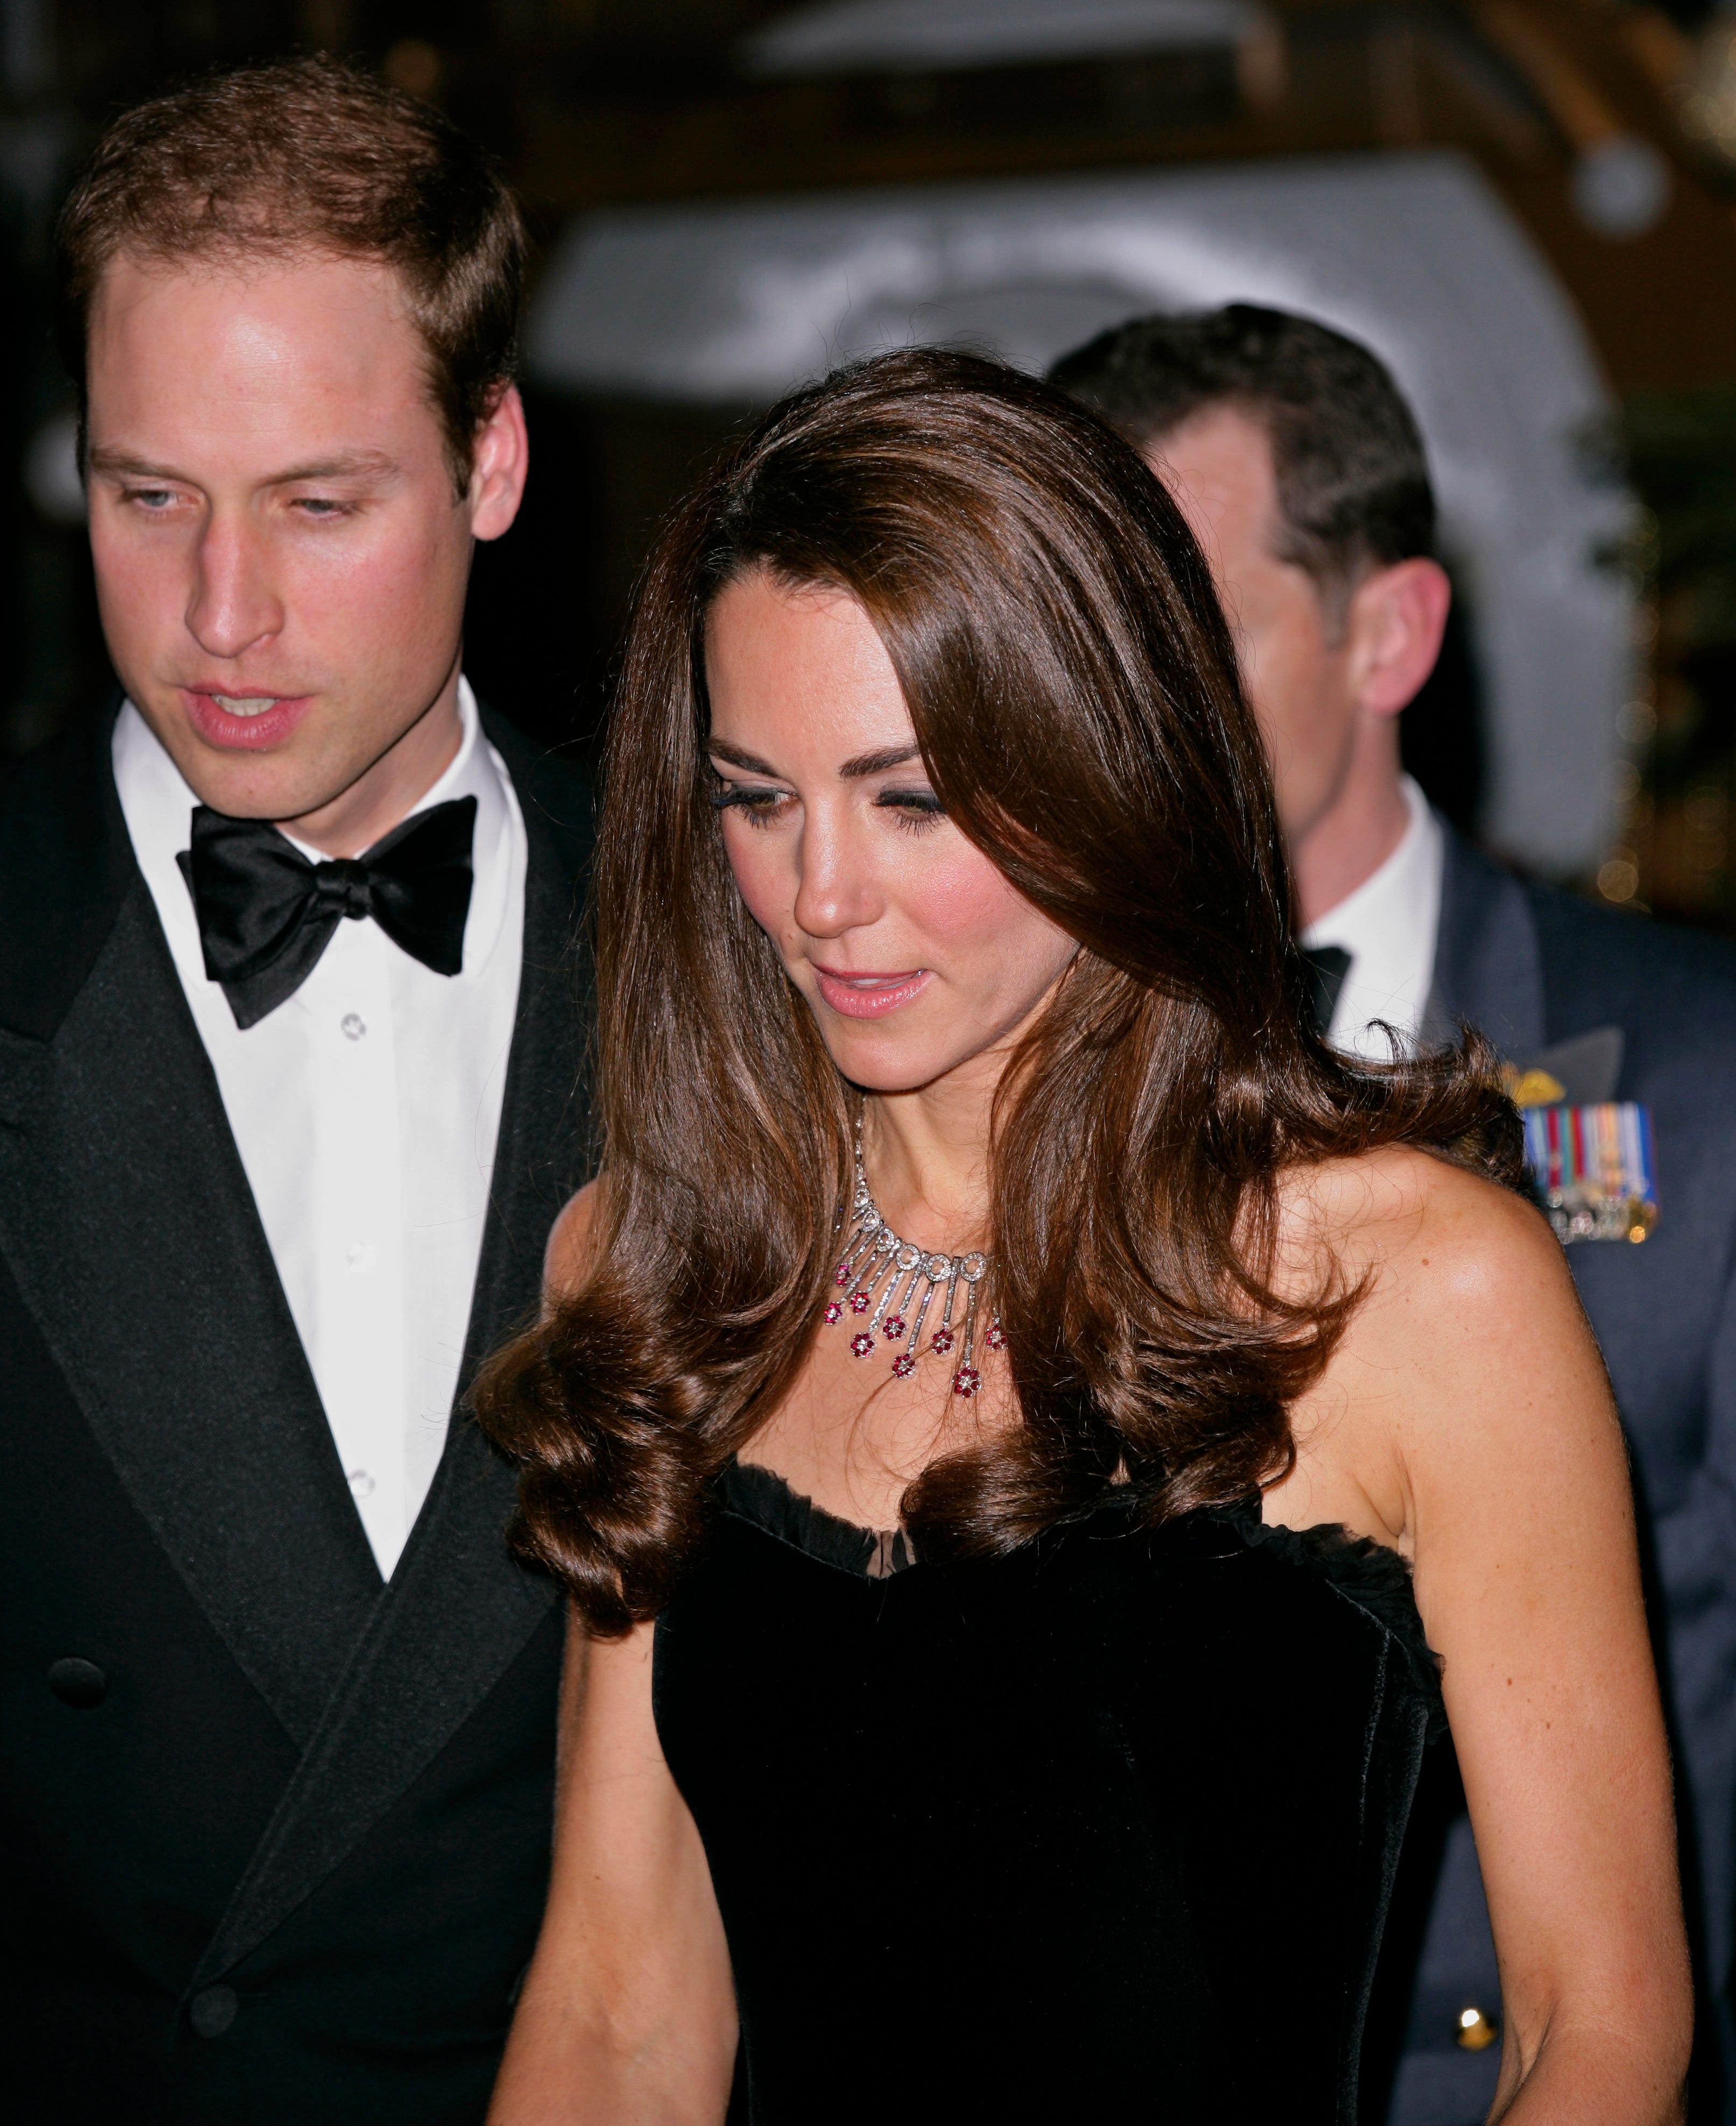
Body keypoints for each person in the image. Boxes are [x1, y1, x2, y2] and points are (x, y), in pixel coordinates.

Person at [473, 347, 1688, 2124]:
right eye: (756, 797)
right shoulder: (655, 1264)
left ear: (1102, 761)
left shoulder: (1411, 1286)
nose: (819, 895)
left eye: (908, 798)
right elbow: (616, 2005)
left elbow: (1599, 2027)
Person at [1051, 304, 1736, 2123]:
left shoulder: (1699, 1075)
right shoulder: (972, 1087)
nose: (1123, 706)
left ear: (1390, 632)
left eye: (1188, 627)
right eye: (1087, 636)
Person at [0, 59, 592, 2124]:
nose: (219, 614)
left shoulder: (746, 953)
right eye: (147, 495)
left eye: (318, 504)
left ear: (490, 460)